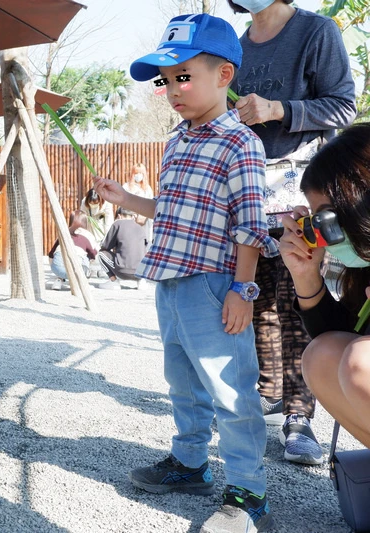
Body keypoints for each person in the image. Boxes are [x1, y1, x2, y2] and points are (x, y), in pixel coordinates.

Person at [96, 14, 277, 533]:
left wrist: (243, 290)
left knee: (230, 388)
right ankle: (190, 464)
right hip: (171, 281)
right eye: (166, 80)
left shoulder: (240, 143)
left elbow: (249, 225)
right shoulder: (176, 141)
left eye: (184, 76)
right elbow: (171, 210)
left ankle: (248, 491)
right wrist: (126, 199)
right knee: (183, 382)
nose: (173, 89)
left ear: (224, 76)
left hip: (215, 283)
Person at [227, 0, 356, 465]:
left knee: (297, 295)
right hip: (247, 188)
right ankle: (271, 391)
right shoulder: (235, 48)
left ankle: (300, 417)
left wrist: (278, 108)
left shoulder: (316, 32)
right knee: (257, 296)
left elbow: (344, 106)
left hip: (300, 190)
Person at [277, 124, 370, 449]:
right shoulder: (363, 271)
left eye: (324, 217)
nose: (318, 231)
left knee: (361, 359)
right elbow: (340, 336)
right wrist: (306, 274)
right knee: (323, 355)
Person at [96, 207, 149, 290]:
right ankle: (142, 281)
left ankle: (113, 282)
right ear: (132, 216)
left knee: (101, 254)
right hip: (140, 272)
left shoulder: (117, 224)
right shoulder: (140, 227)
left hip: (122, 271)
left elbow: (105, 246)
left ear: (119, 216)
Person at [47, 210, 97, 290]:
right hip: (77, 271)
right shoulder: (88, 235)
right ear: (85, 222)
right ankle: (83, 282)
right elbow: (93, 254)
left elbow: (51, 254)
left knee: (58, 254)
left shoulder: (63, 232)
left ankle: (59, 280)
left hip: (57, 269)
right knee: (87, 256)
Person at [122, 162, 154, 241]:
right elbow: (123, 205)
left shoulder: (147, 189)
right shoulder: (126, 187)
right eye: (136, 173)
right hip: (130, 220)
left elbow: (151, 205)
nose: (138, 175)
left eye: (140, 173)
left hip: (144, 222)